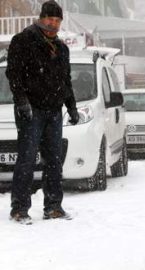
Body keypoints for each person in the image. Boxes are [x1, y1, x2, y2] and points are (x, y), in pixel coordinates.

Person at [6, 0, 79, 223]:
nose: (53, 23)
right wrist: (22, 102)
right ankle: (19, 209)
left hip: (54, 111)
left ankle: (54, 207)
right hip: (31, 110)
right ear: (41, 18)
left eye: (57, 20)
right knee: (27, 160)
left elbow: (65, 80)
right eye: (49, 19)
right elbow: (13, 74)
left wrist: (71, 106)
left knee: (54, 161)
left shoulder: (62, 48)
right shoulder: (23, 41)